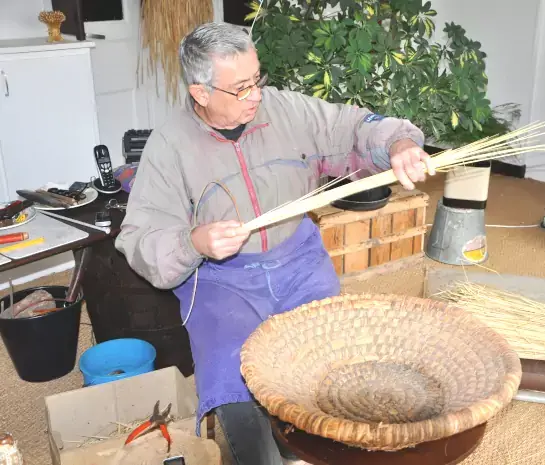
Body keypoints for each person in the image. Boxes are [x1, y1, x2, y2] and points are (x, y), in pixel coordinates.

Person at [115, 21, 435, 465]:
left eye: (257, 79)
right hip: (220, 281)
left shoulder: (288, 110)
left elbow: (357, 126)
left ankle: (307, 449)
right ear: (201, 93)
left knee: (329, 356)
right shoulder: (169, 147)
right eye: (240, 88)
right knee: (232, 368)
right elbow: (139, 238)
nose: (256, 95)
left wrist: (398, 143)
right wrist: (194, 242)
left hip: (298, 261)